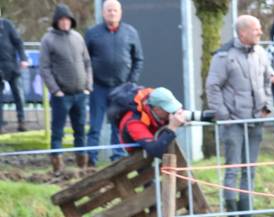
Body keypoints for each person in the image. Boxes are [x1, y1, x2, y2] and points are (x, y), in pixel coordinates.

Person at [207, 15, 274, 217]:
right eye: (256, 29)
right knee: (233, 168)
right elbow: (213, 87)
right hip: (234, 122)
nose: (260, 32)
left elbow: (267, 83)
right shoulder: (224, 56)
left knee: (250, 168)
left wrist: (267, 107)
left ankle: (247, 215)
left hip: (256, 120)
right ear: (243, 32)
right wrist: (224, 115)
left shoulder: (261, 53)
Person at [84, 0, 143, 166]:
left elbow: (138, 59)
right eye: (109, 10)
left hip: (121, 89)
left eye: (115, 10)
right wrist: (88, 81)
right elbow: (84, 60)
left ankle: (117, 156)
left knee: (117, 125)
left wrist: (131, 82)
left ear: (120, 12)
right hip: (98, 87)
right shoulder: (92, 33)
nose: (112, 13)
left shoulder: (130, 32)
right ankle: (91, 159)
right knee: (95, 125)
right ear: (103, 13)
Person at [40, 4, 92, 174]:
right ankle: (57, 166)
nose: (65, 23)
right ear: (56, 21)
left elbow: (87, 63)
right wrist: (56, 90)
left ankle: (82, 165)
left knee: (80, 131)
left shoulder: (78, 37)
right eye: (61, 20)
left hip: (80, 94)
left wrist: (87, 86)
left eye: (67, 20)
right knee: (58, 132)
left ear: (71, 21)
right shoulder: (48, 39)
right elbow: (45, 68)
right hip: (61, 96)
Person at [113, 86, 187, 159]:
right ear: (156, 109)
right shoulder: (134, 122)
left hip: (155, 142)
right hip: (138, 153)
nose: (172, 112)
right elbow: (156, 151)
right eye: (169, 109)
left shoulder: (157, 106)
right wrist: (172, 127)